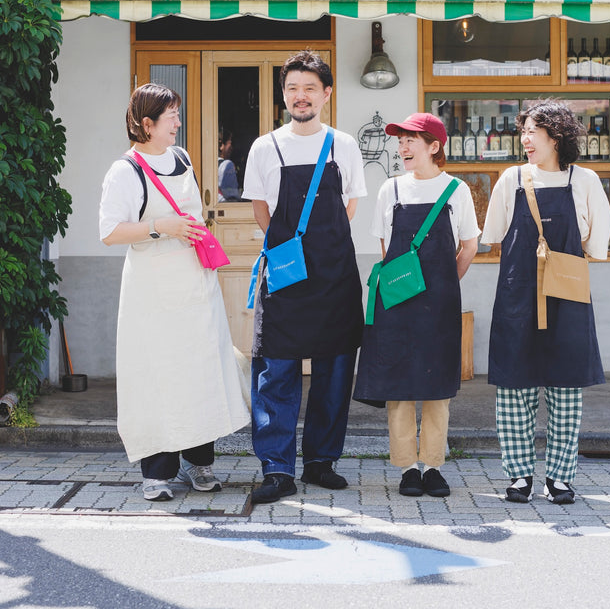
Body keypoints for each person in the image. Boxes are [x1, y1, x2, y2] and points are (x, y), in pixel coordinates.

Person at [99, 83, 250, 501]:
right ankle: (157, 473)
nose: (179, 124)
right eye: (171, 118)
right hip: (152, 293)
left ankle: (200, 465)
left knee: (200, 372)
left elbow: (194, 213)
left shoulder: (181, 159)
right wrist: (161, 227)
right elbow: (109, 232)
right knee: (158, 376)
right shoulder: (124, 171)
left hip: (194, 284)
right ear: (146, 125)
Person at [243, 51, 366, 504]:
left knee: (334, 371)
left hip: (335, 275)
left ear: (327, 94)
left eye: (310, 88)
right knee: (276, 370)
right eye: (293, 88)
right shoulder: (265, 146)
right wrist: (289, 247)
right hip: (286, 272)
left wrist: (324, 244)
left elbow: (350, 204)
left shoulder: (343, 144)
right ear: (284, 94)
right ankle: (277, 468)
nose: (301, 96)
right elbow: (260, 208)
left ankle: (320, 461)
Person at [481, 100, 610, 505]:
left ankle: (559, 478)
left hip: (567, 297)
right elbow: (493, 233)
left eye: (532, 131)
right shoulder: (511, 178)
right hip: (518, 295)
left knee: (566, 390)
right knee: (514, 389)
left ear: (556, 136)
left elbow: (597, 244)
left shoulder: (586, 180)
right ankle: (519, 476)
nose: (524, 139)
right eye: (523, 131)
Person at [354, 113, 479, 498]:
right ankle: (408, 467)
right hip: (397, 300)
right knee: (399, 385)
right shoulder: (390, 190)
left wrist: (442, 283)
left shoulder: (457, 190)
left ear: (434, 147)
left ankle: (434, 467)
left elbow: (469, 246)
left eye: (411, 140)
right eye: (400, 141)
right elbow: (385, 247)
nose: (402, 147)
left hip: (439, 302)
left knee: (437, 384)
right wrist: (406, 287)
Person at [218, 129, 240, 201]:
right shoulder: (227, 165)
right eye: (230, 143)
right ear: (221, 145)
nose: (232, 148)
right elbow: (232, 196)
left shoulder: (209, 165)